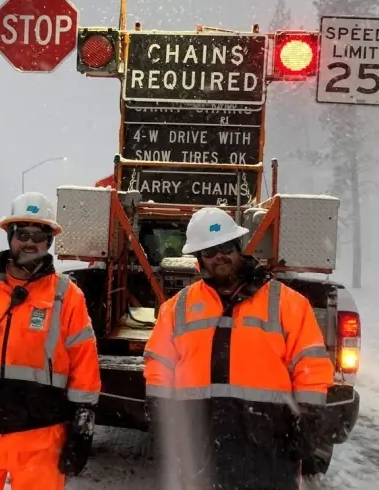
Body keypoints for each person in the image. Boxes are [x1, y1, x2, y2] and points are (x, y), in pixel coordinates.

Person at [143, 207, 334, 490]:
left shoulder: (288, 304)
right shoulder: (175, 309)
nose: (219, 256)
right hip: (201, 446)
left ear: (238, 247)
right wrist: (162, 418)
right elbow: (159, 366)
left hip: (271, 444)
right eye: (209, 251)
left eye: (225, 247)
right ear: (199, 258)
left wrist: (309, 419)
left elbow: (311, 365)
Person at [0, 191, 102, 490]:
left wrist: (84, 418)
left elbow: (83, 359)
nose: (30, 242)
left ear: (49, 241)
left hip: (41, 438)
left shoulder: (66, 295)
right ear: (10, 236)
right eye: (22, 234)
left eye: (39, 236)